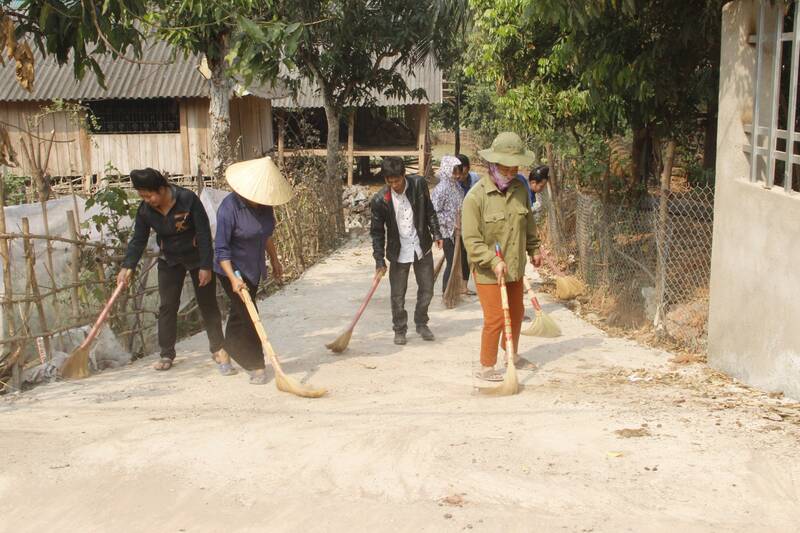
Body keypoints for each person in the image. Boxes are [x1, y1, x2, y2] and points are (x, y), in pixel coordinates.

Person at [118, 168, 230, 373]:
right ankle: (166, 353)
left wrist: (206, 265)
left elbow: (204, 233)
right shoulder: (145, 210)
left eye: (150, 194)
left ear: (162, 188)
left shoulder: (187, 199)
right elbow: (138, 240)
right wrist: (128, 266)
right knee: (167, 306)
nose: (148, 199)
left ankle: (218, 348)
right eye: (142, 196)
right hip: (168, 259)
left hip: (196, 258)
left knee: (208, 303)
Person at [462, 132, 542, 381]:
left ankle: (512, 355)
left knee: (517, 313)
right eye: (506, 167)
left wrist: (534, 248)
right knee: (496, 317)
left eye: (515, 166)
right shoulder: (475, 197)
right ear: (493, 164)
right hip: (488, 270)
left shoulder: (521, 189)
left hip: (515, 265)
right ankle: (487, 365)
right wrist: (494, 261)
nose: (511, 172)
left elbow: (527, 223)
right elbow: (471, 241)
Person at [214, 157, 289, 385]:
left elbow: (265, 235)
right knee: (248, 315)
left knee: (239, 314)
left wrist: (275, 261)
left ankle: (224, 350)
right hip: (230, 269)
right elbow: (221, 249)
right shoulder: (229, 208)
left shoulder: (266, 208)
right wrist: (233, 279)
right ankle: (255, 363)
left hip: (253, 267)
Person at [370, 156, 443, 345]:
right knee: (397, 295)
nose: (394, 185)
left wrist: (436, 233)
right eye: (390, 181)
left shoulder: (418, 184)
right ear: (385, 180)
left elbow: (429, 211)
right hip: (398, 251)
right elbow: (377, 233)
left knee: (427, 290)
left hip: (421, 247)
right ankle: (400, 329)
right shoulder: (380, 200)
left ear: (404, 175)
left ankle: (421, 323)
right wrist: (379, 260)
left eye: (397, 180)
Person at [431, 155, 465, 292]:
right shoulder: (440, 189)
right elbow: (434, 213)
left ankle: (454, 289)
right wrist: (451, 222)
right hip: (446, 232)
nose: (457, 175)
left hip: (457, 231)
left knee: (457, 262)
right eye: (454, 172)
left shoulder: (457, 187)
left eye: (459, 172)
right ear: (446, 170)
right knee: (451, 263)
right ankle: (447, 291)